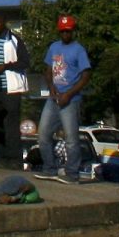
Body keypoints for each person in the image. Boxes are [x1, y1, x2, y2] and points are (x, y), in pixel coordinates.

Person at [37, 14, 91, 181]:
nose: (65, 34)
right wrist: (51, 88)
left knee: (71, 139)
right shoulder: (54, 47)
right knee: (43, 134)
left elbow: (86, 76)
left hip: (70, 100)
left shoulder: (79, 50)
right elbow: (48, 69)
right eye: (62, 31)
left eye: (68, 31)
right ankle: (49, 168)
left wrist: (69, 94)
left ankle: (72, 174)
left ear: (72, 31)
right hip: (54, 99)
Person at [0, 13, 31, 170]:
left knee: (11, 125)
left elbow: (25, 62)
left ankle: (14, 159)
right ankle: (2, 155)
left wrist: (5, 66)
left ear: (4, 23)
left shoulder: (14, 40)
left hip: (11, 88)